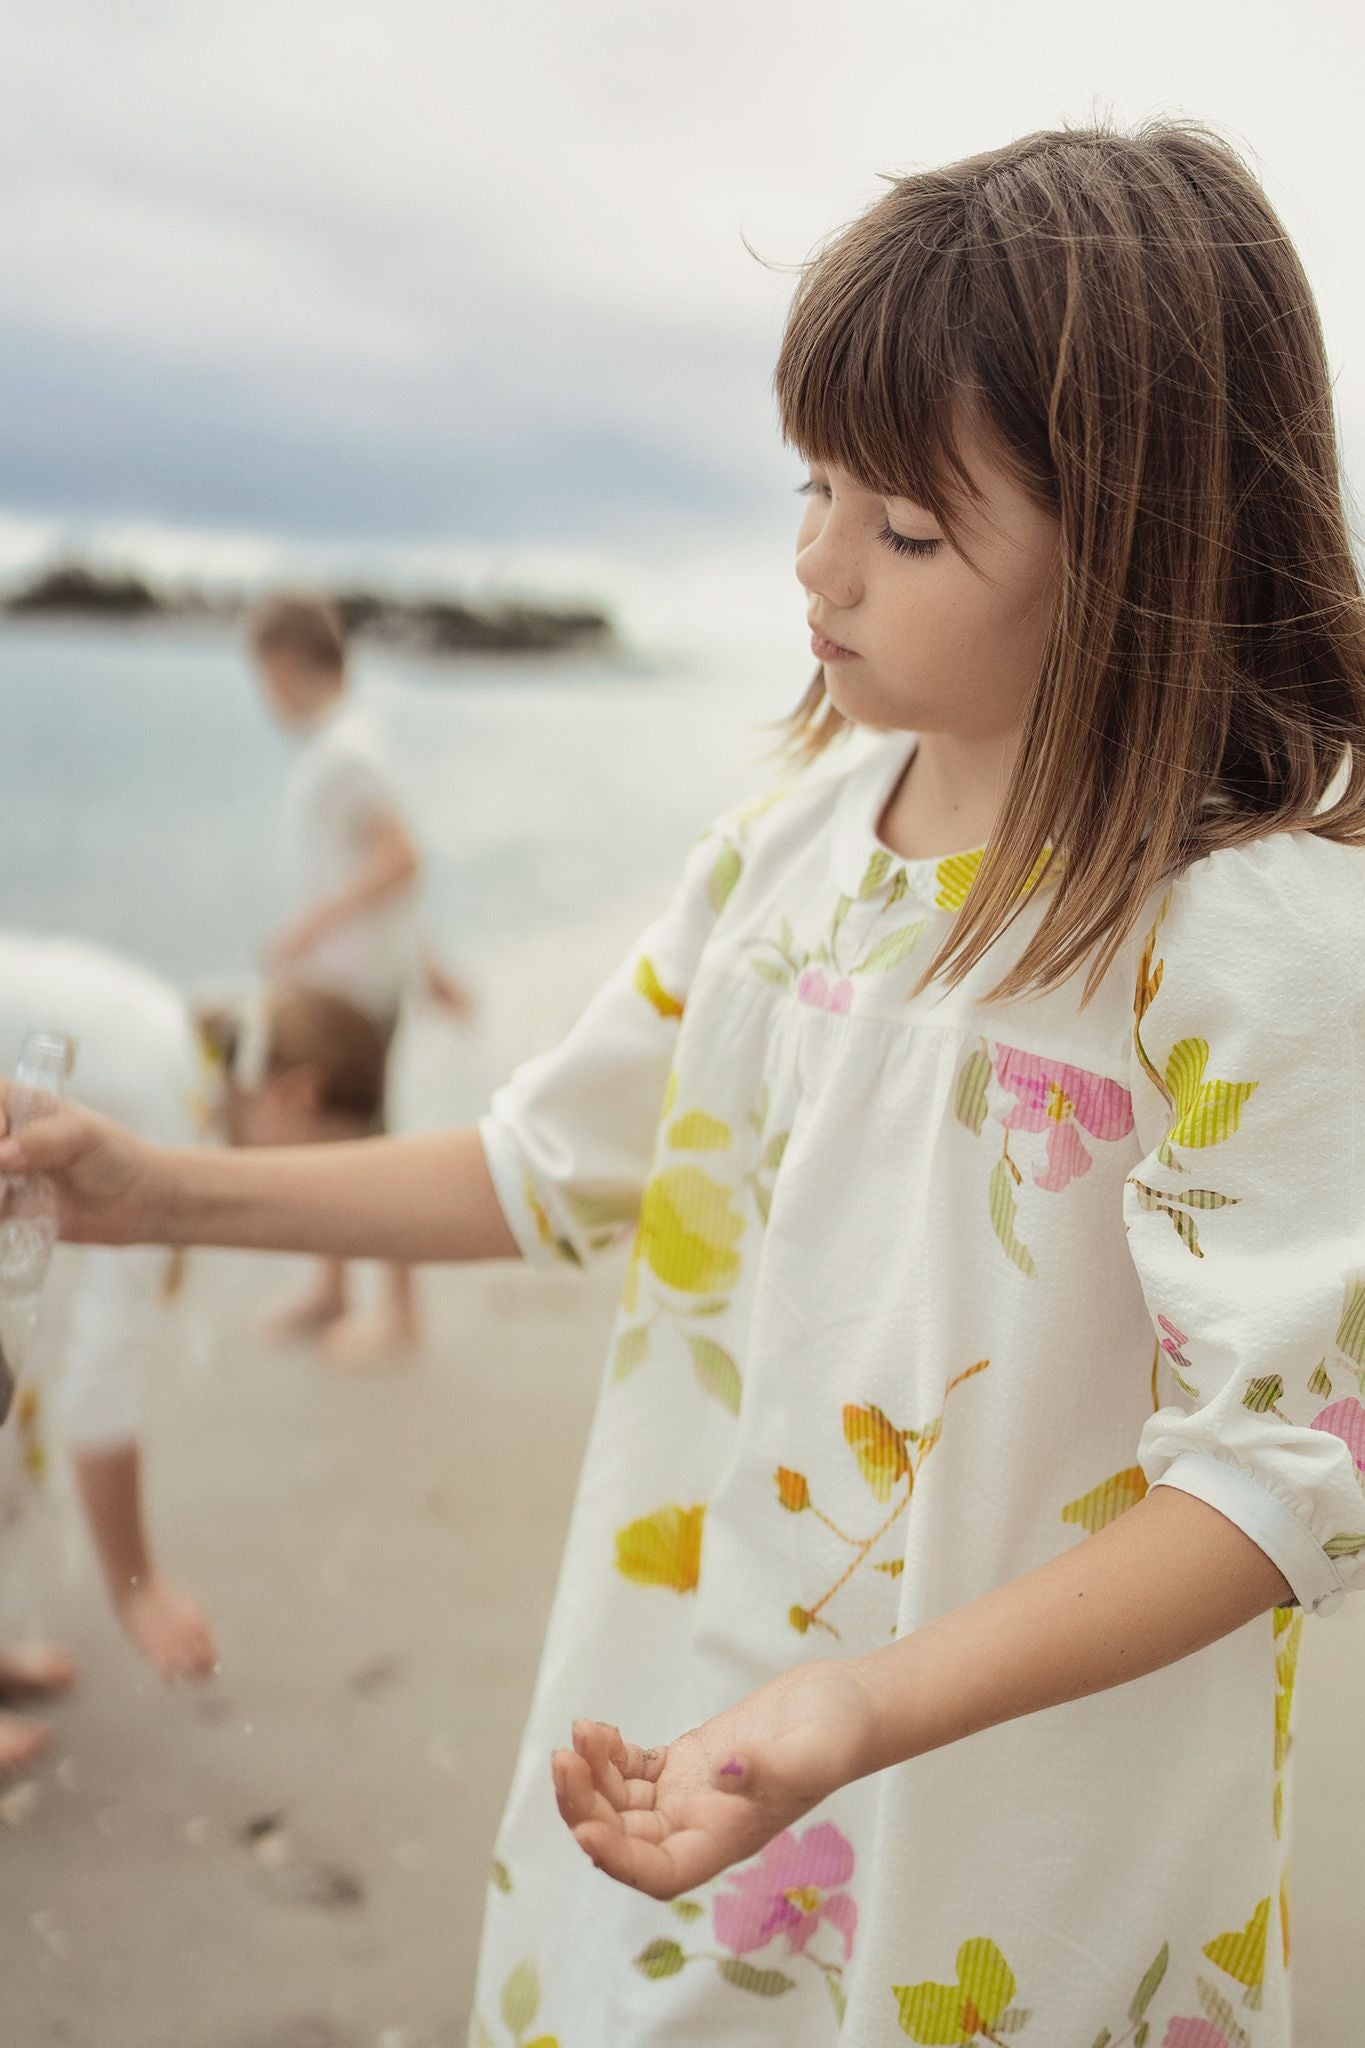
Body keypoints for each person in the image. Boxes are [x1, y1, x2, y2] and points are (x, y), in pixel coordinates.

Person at [4, 118, 1365, 2045]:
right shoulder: (789, 850)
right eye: (817, 485)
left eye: (904, 526)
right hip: (698, 1720)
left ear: (1142, 548)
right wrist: (161, 1191)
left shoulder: (1253, 934)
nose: (814, 561)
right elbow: (552, 1162)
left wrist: (864, 1708)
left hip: (1027, 1817)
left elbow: (1275, 1475)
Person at [0, 943, 389, 1775]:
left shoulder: (175, 1035)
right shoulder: (168, 1111)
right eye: (323, 1154)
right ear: (296, 1095)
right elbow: (101, 1385)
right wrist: (139, 1590)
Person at [248, 593, 474, 1369]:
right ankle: (332, 1287)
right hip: (359, 979)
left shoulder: (344, 754)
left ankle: (401, 1313)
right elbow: (389, 876)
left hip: (356, 992)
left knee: (363, 1144)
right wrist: (432, 965)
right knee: (333, 1142)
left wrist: (310, 924)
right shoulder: (350, 741)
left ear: (282, 665)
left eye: (262, 679)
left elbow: (399, 859)